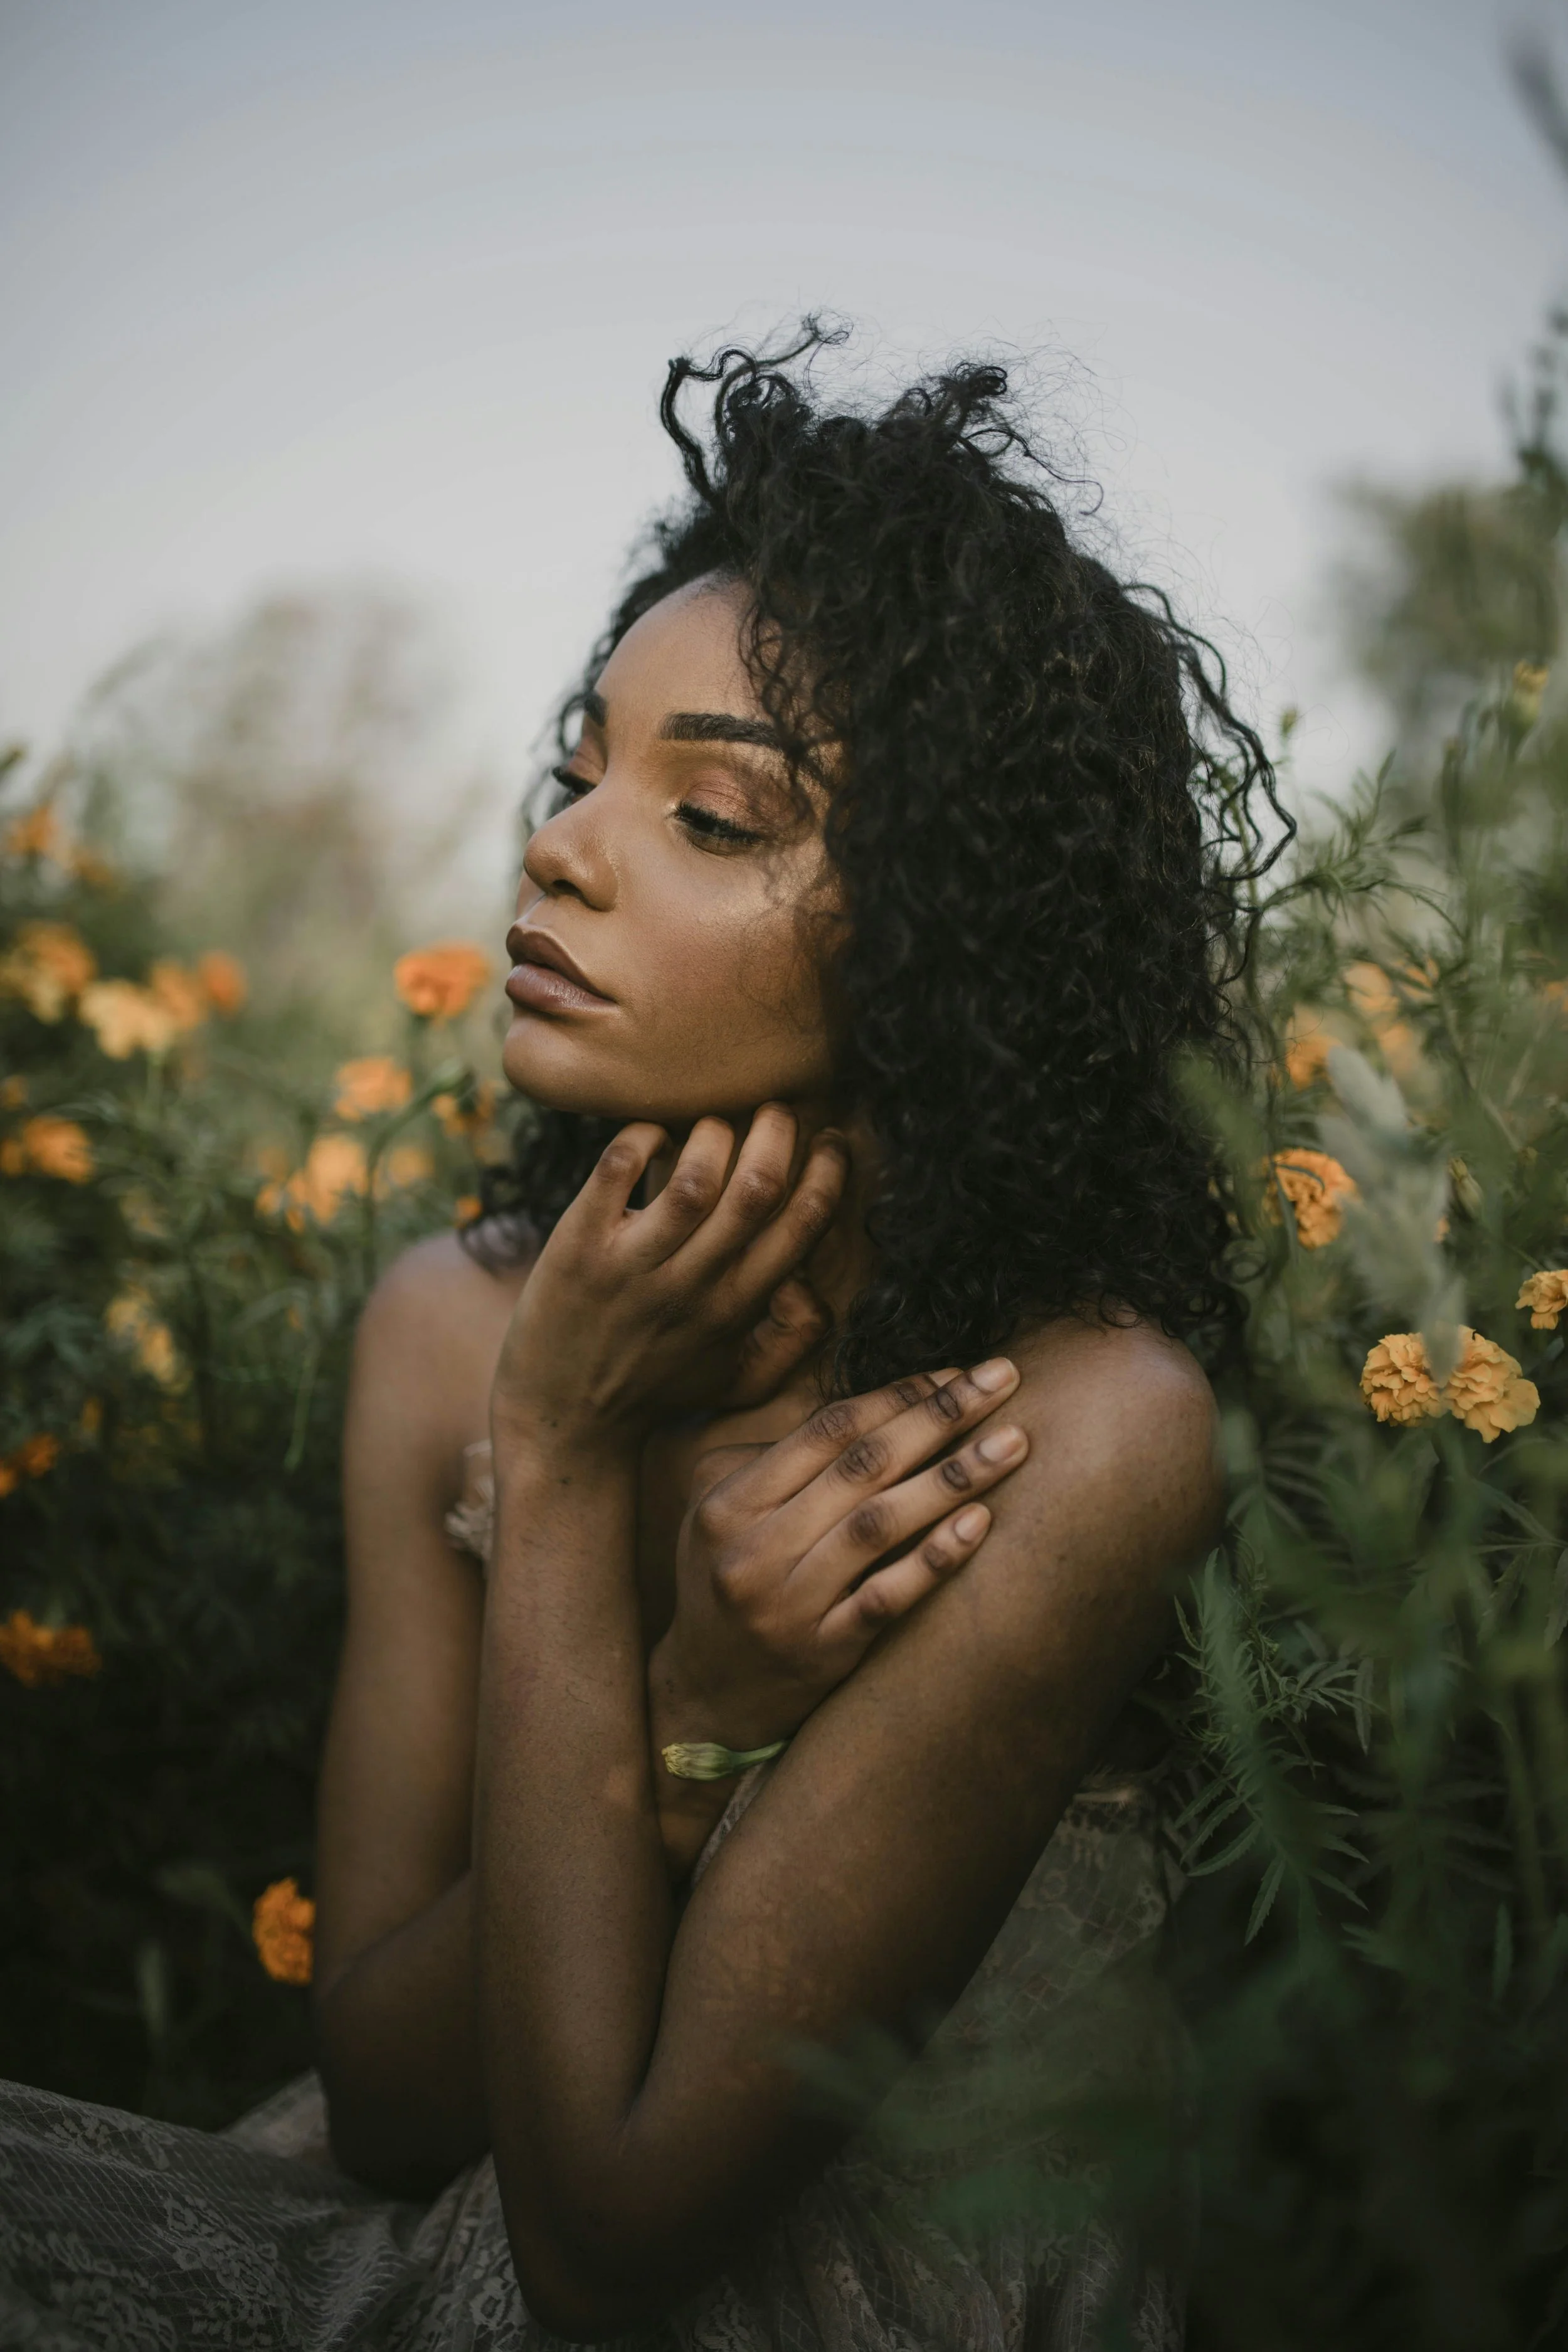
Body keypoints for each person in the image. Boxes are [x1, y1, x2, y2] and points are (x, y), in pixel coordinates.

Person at [0, 329, 1277, 2351]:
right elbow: (402, 2097)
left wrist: (577, 1471)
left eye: (715, 815)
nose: (566, 841)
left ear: (946, 920)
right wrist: (676, 1671)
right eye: (584, 764)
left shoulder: (1078, 1422)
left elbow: (605, 2245)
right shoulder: (459, 1331)